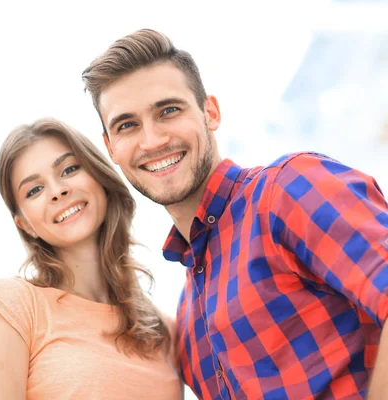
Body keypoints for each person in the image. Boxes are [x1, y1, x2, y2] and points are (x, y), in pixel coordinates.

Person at [82, 29, 388, 399]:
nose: (151, 140)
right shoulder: (190, 323)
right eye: (127, 125)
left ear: (210, 112)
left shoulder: (288, 190)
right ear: (110, 147)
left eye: (168, 110)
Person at [0, 118, 182, 399]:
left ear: (99, 176)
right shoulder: (8, 308)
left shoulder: (164, 331)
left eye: (69, 169)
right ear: (24, 224)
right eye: (34, 190)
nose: (57, 191)